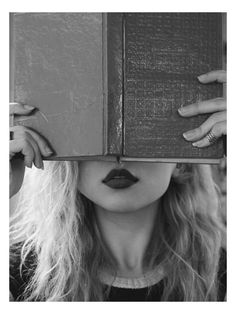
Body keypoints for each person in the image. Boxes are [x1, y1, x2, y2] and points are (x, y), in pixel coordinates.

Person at [9, 70, 226, 301]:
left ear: (182, 161)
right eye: (93, 129)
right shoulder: (13, 279)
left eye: (144, 126)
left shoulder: (223, 279)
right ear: (63, 160)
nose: (117, 155)